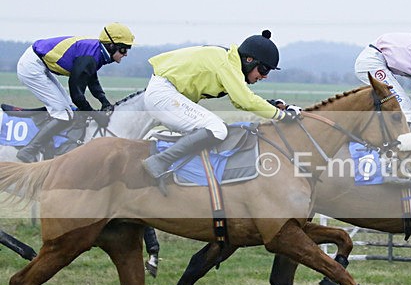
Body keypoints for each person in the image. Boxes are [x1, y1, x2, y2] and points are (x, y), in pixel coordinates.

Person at [141, 29, 299, 180]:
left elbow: (240, 100)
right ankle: (160, 162)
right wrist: (282, 116)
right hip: (163, 94)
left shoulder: (230, 62)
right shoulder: (227, 65)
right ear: (249, 60)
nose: (264, 76)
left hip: (166, 93)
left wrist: (272, 105)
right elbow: (245, 100)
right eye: (264, 69)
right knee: (217, 129)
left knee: (214, 128)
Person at [15, 23, 134, 162]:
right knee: (64, 114)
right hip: (32, 67)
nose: (125, 54)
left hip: (39, 63)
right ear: (111, 46)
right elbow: (77, 95)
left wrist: (104, 101)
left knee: (70, 109)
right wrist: (96, 116)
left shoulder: (98, 52)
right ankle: (29, 150)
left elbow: (92, 79)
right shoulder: (90, 58)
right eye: (123, 49)